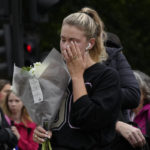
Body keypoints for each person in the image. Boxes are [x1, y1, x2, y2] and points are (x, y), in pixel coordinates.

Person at [33, 7, 121, 150]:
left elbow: (88, 120)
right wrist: (40, 131)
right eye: (63, 39)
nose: (66, 46)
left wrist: (77, 76)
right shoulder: (55, 72)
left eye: (73, 40)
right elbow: (50, 121)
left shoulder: (107, 76)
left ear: (90, 43)